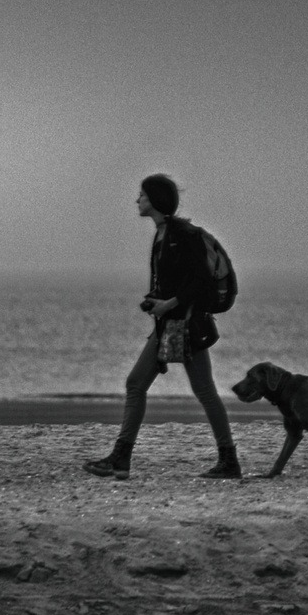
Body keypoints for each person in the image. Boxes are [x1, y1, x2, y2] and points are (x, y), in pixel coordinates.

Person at [84, 174, 239, 480]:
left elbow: (200, 280)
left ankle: (229, 460)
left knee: (203, 391)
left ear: (154, 200)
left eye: (141, 195)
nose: (137, 200)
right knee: (136, 385)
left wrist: (168, 304)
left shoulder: (182, 234)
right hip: (168, 324)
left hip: (185, 325)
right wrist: (155, 300)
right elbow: (177, 281)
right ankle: (121, 458)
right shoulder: (163, 233)